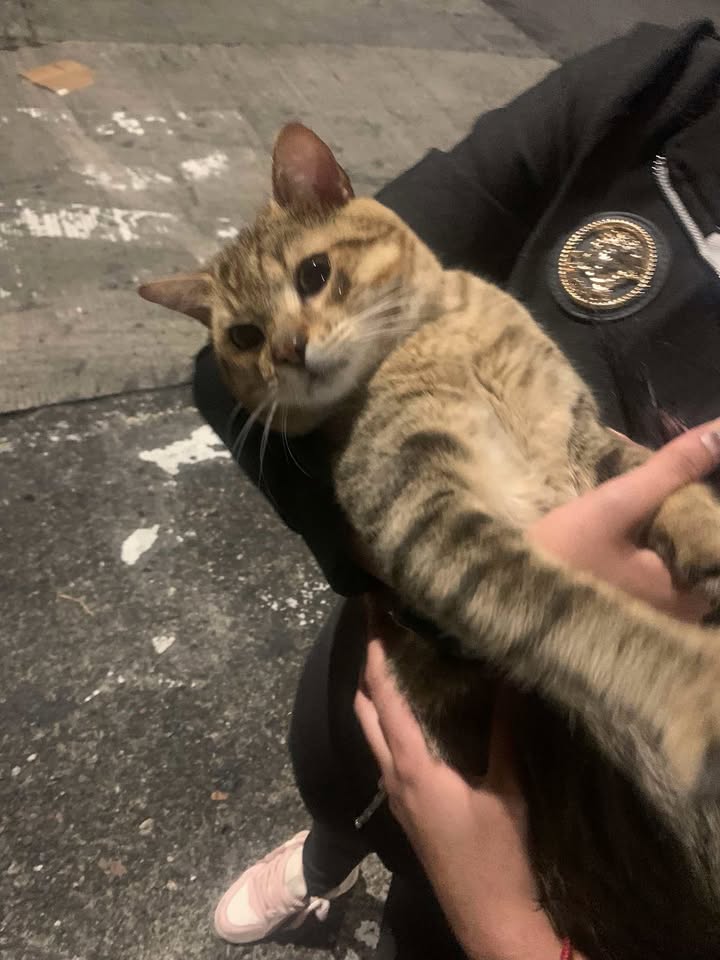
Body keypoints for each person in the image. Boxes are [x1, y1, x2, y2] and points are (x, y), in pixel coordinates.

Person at [193, 18, 720, 960]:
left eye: (311, 286)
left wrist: (504, 930)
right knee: (361, 788)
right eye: (255, 337)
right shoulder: (667, 81)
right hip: (387, 730)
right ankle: (333, 852)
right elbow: (216, 380)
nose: (289, 342)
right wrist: (430, 567)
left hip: (558, 869)